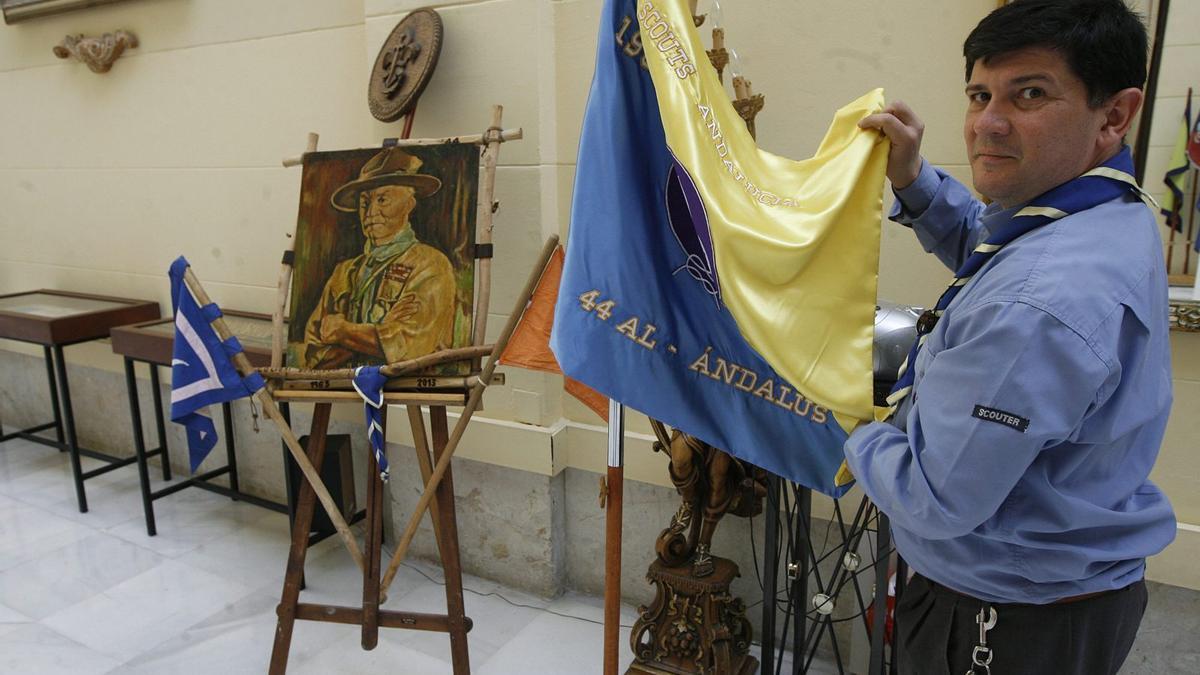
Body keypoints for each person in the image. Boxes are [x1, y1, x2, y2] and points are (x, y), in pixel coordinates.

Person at [847, 1, 1176, 673]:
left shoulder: (1041, 304)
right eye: (979, 94)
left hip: (1004, 621)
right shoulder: (1098, 208)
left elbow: (933, 497)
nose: (987, 124)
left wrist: (833, 403)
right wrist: (913, 180)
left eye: (1030, 93)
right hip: (1062, 591)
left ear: (1114, 114)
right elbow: (994, 248)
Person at [300, 147, 457, 369]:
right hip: (348, 382)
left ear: (409, 205)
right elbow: (313, 352)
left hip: (410, 383)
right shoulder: (344, 271)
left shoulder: (431, 264)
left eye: (382, 199)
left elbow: (411, 347)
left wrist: (343, 332)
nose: (370, 212)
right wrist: (378, 334)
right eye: (364, 202)